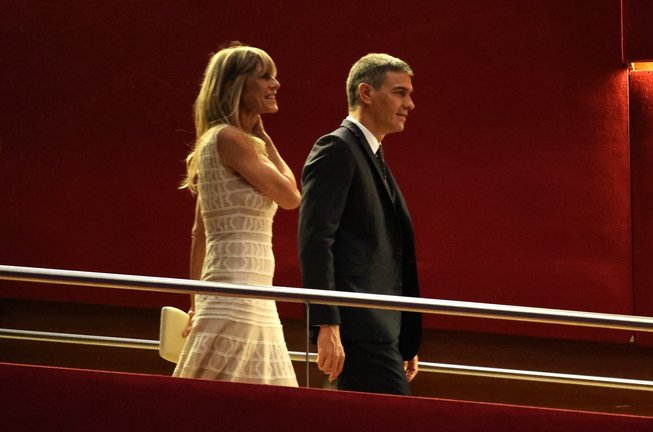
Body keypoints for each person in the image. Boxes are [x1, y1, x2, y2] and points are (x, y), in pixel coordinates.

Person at [174, 42, 300, 387]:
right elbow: (291, 196)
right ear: (234, 86)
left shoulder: (213, 140)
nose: (275, 84)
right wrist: (269, 144)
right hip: (240, 297)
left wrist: (196, 301)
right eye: (264, 77)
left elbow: (199, 233)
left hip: (240, 295)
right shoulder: (231, 139)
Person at [298, 53, 422, 395]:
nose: (410, 104)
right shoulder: (336, 148)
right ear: (366, 93)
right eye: (400, 92)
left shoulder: (371, 153)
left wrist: (403, 337)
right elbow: (315, 240)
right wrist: (327, 324)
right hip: (355, 326)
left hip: (382, 329)